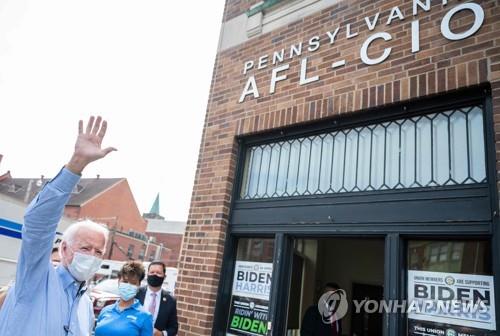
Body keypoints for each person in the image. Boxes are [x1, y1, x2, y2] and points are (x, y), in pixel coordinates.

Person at [0, 116, 116, 336]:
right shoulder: (35, 280)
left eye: (98, 252)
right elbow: (37, 224)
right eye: (84, 248)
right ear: (63, 249)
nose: (92, 256)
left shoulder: (85, 305)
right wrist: (76, 164)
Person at [95, 261, 153, 336]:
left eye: (133, 283)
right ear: (119, 282)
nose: (128, 285)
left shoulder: (145, 317)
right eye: (125, 281)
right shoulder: (105, 310)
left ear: (138, 286)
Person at [137, 261, 179, 336]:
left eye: (158, 273)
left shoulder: (171, 300)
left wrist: (162, 334)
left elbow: (173, 328)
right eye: (152, 272)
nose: (155, 275)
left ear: (164, 277)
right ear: (147, 275)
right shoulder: (136, 293)